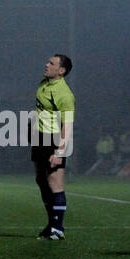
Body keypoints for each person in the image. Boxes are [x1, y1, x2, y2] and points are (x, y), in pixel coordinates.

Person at [31, 54, 75, 240]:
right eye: (47, 61)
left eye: (52, 63)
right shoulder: (44, 84)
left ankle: (57, 228)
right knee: (41, 180)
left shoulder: (64, 94)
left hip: (55, 140)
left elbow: (68, 125)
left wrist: (60, 151)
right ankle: (51, 224)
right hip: (40, 138)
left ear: (61, 70)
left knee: (55, 182)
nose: (46, 64)